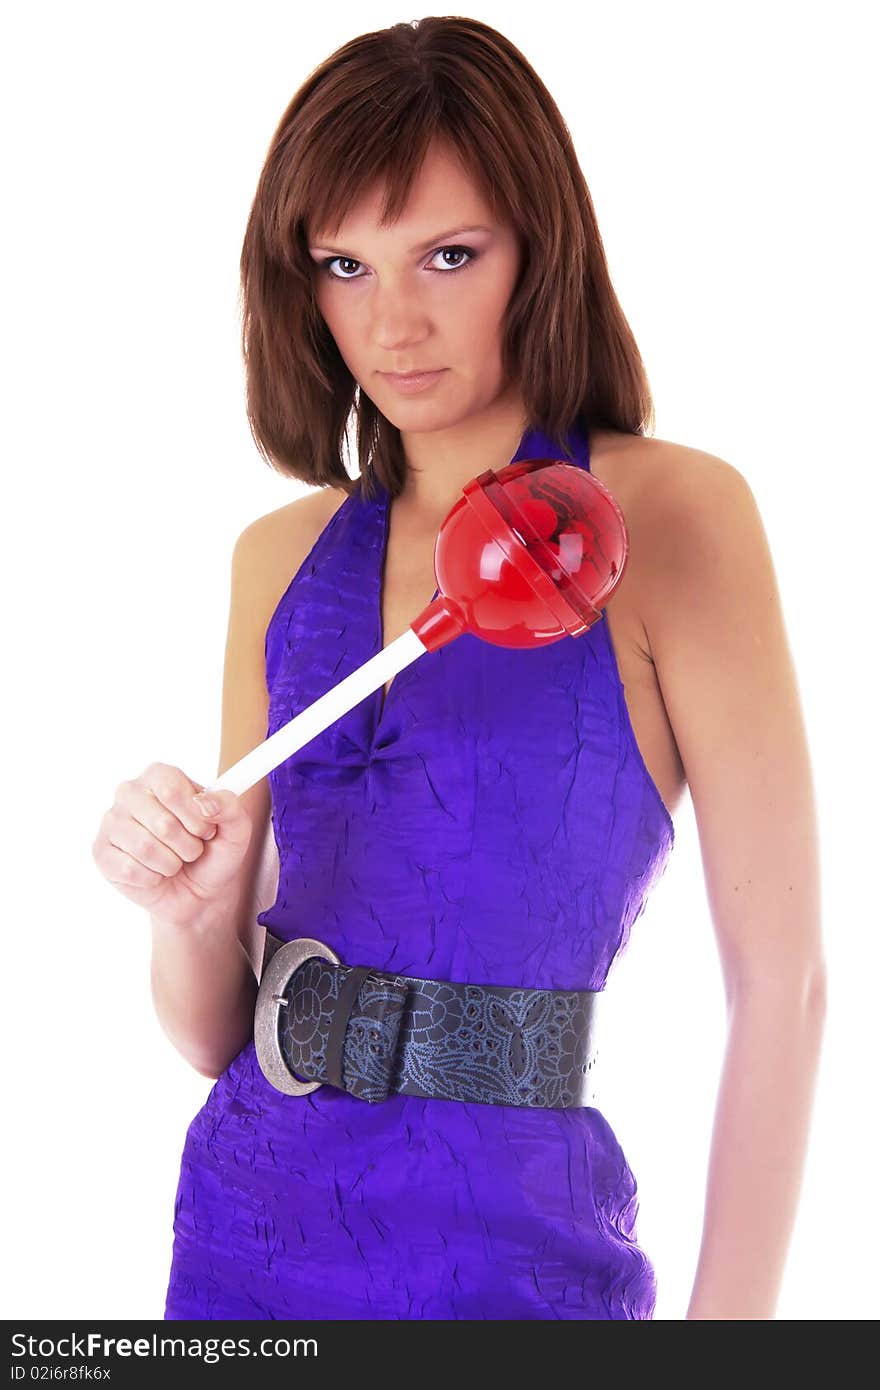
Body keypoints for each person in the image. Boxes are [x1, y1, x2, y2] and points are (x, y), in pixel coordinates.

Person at [92, 16, 825, 1320]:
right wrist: (192, 913)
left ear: (537, 247)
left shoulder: (676, 520)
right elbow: (213, 1033)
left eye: (447, 252)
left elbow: (784, 983)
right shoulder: (277, 555)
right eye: (342, 263)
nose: (394, 320)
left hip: (518, 1258)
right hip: (242, 1244)